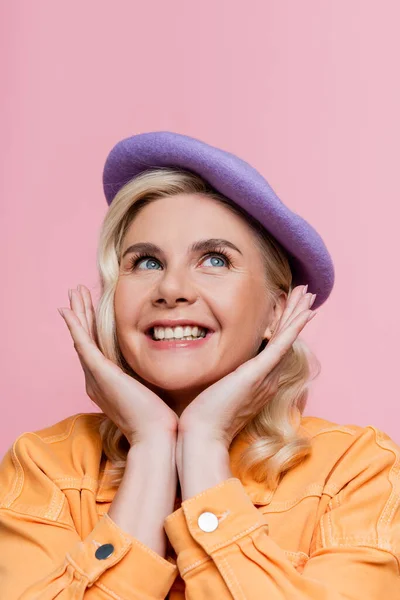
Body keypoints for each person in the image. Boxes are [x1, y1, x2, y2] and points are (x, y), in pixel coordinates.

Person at [0, 131, 399, 599]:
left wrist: (205, 443)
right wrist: (151, 446)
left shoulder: (355, 472)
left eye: (214, 259)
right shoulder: (45, 467)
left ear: (275, 311)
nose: (171, 289)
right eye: (146, 262)